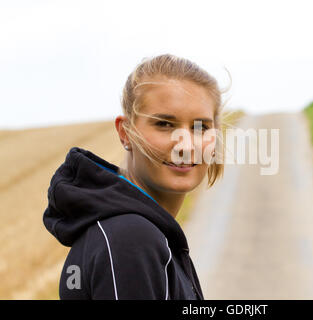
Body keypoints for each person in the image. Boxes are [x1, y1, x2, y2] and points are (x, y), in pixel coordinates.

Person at [43, 54, 225, 299]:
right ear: (125, 132)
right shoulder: (130, 238)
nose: (186, 145)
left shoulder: (141, 233)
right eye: (164, 124)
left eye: (200, 127)